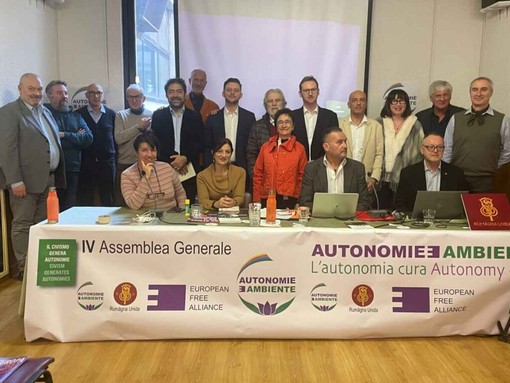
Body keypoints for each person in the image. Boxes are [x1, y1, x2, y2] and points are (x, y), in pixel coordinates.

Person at [0, 73, 65, 278]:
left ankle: (39, 265)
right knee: (22, 224)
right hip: (24, 183)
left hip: (48, 179)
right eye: (31, 89)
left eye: (38, 89)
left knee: (43, 224)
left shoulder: (44, 111)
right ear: (20, 89)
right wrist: (15, 180)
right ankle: (24, 269)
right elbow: (7, 149)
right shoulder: (10, 112)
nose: (36, 93)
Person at [443, 77, 510, 193]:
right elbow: (447, 149)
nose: (478, 93)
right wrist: (446, 173)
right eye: (475, 89)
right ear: (470, 93)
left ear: (491, 93)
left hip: (487, 182)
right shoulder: (456, 119)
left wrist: (494, 169)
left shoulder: (503, 120)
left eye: (484, 89)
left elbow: (507, 151)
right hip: (457, 178)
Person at [151, 77, 205, 201]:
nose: (175, 95)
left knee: (187, 207)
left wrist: (185, 158)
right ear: (166, 94)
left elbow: (201, 142)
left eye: (179, 91)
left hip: (188, 171)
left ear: (184, 94)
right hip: (164, 170)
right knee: (166, 207)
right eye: (171, 92)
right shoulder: (158, 116)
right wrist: (174, 163)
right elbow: (155, 144)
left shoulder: (195, 116)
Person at [45, 80, 93, 211]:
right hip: (52, 171)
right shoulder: (45, 115)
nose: (64, 96)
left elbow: (88, 138)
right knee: (52, 211)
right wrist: (76, 138)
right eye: (59, 93)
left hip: (73, 170)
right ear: (50, 96)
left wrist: (64, 135)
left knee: (69, 209)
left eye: (65, 93)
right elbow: (49, 141)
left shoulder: (76, 116)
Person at [300, 127, 371, 211]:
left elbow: (365, 202)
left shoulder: (357, 168)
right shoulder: (312, 168)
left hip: (349, 219)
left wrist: (343, 211)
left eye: (345, 141)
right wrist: (328, 210)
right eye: (339, 142)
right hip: (321, 219)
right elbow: (305, 201)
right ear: (326, 147)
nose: (344, 146)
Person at [394, 133, 469, 213]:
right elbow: (400, 204)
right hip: (416, 222)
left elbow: (463, 204)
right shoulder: (408, 173)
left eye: (439, 147)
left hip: (447, 221)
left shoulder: (456, 173)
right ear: (422, 150)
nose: (435, 151)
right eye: (431, 147)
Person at [378, 89, 424, 209]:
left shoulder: (415, 124)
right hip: (382, 179)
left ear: (407, 104)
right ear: (388, 104)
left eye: (401, 101)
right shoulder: (379, 123)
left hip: (406, 178)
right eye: (394, 101)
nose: (398, 105)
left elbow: (420, 151)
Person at [253, 108, 307, 209]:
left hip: (290, 199)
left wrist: (300, 201)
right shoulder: (266, 147)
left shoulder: (299, 149)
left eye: (287, 122)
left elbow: (302, 177)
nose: (284, 125)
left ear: (293, 126)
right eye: (280, 122)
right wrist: (256, 200)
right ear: (276, 127)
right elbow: (258, 175)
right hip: (267, 198)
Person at [121, 133, 185, 211]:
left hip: (170, 216)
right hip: (142, 218)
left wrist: (182, 211)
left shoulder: (167, 168)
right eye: (144, 150)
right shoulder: (127, 175)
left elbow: (180, 193)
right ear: (136, 153)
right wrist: (146, 177)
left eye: (153, 150)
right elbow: (133, 205)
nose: (150, 154)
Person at [76, 83, 116, 206]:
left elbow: (116, 139)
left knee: (108, 199)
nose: (96, 96)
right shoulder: (78, 114)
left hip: (107, 163)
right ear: (87, 95)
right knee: (85, 199)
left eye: (99, 93)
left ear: (102, 95)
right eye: (92, 93)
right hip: (86, 163)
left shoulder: (112, 114)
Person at [205, 78, 256, 172]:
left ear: (241, 95)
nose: (232, 93)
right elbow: (207, 146)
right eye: (229, 90)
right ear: (223, 93)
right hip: (217, 168)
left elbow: (252, 146)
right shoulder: (213, 118)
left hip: (242, 169)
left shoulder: (249, 117)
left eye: (236, 90)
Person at [340, 90, 383, 199]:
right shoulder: (339, 124)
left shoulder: (376, 126)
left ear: (366, 104)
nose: (358, 103)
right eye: (354, 100)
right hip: (342, 178)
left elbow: (379, 154)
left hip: (366, 181)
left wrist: (374, 178)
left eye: (362, 100)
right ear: (348, 104)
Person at [114, 84, 152, 206]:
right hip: (125, 164)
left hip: (146, 165)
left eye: (137, 97)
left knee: (145, 203)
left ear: (144, 98)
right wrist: (138, 127)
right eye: (130, 97)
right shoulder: (121, 115)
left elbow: (154, 142)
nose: (134, 100)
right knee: (123, 204)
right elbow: (119, 138)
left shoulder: (152, 115)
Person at [292, 75, 339, 160]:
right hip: (297, 167)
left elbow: (334, 144)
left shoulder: (330, 116)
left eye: (313, 90)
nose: (310, 93)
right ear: (300, 94)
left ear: (318, 92)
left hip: (323, 168)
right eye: (306, 90)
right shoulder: (292, 116)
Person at [246, 88, 287, 185]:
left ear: (284, 103)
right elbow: (251, 156)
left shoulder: (293, 125)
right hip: (264, 182)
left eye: (277, 100)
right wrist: (257, 180)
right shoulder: (257, 127)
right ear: (265, 105)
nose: (274, 104)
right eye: (270, 101)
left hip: (288, 182)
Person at [196, 138, 246, 210]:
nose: (223, 155)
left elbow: (240, 197)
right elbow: (203, 201)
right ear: (213, 153)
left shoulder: (240, 172)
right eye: (219, 151)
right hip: (210, 214)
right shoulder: (202, 176)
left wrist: (233, 202)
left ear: (231, 154)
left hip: (233, 213)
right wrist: (216, 204)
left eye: (227, 152)